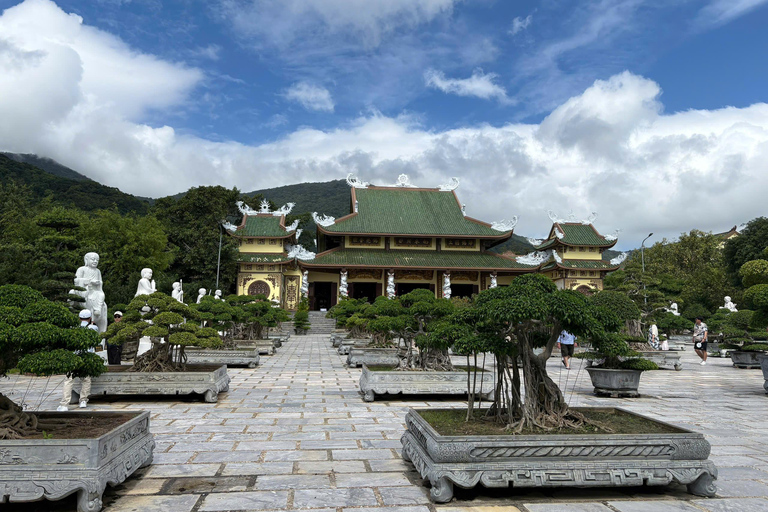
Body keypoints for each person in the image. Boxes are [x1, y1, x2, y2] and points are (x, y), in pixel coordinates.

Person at [57, 310, 99, 410]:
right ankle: (83, 400)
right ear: (90, 318)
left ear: (79, 318)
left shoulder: (73, 328)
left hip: (73, 357)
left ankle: (64, 404)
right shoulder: (93, 328)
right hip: (87, 357)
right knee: (86, 379)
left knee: (69, 380)